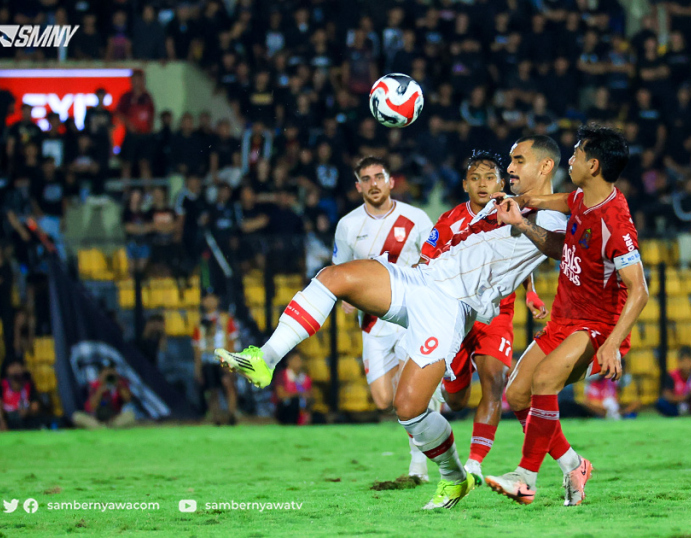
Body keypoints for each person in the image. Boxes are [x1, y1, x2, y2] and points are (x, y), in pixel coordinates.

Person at [215, 135, 568, 510]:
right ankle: (265, 359)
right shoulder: (506, 202)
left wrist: (524, 224)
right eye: (509, 162)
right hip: (423, 280)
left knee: (408, 407)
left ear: (545, 167)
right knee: (333, 277)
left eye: (518, 161)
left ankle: (454, 478)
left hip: (452, 308)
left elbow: (560, 247)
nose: (509, 168)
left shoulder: (550, 217)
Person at [484, 124, 648, 507]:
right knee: (518, 393)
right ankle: (575, 465)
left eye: (575, 153)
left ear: (592, 165)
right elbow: (559, 224)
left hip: (597, 325)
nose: (568, 159)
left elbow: (639, 291)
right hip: (564, 317)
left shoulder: (616, 223)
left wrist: (611, 345)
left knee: (544, 382)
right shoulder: (580, 199)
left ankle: (524, 478)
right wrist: (522, 212)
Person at [421, 148, 549, 485]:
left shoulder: (510, 213)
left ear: (500, 182)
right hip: (455, 315)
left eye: (489, 177)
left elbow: (524, 256)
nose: (482, 184)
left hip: (497, 311)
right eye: (475, 178)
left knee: (494, 381)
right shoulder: (448, 222)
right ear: (464, 184)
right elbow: (426, 266)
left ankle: (474, 465)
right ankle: (446, 387)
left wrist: (531, 292)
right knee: (457, 401)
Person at [330, 156, 435, 480]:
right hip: (373, 323)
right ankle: (432, 405)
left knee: (409, 394)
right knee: (382, 400)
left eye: (379, 176)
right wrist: (345, 296)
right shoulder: (348, 225)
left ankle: (419, 464)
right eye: (367, 178)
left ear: (391, 181)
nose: (374, 183)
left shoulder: (416, 219)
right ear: (358, 186)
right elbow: (339, 271)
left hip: (411, 316)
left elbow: (437, 260)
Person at [192, 291, 240, 425]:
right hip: (208, 360)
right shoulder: (199, 322)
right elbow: (196, 347)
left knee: (228, 385)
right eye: (207, 299)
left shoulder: (225, 319)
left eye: (212, 298)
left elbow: (232, 340)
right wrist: (198, 367)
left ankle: (231, 414)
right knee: (212, 389)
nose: (209, 301)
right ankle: (216, 418)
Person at [71, 359, 136, 429]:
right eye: (105, 371)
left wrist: (118, 384)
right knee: (77, 416)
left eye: (111, 370)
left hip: (114, 419)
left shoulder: (119, 383)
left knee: (130, 415)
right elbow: (91, 407)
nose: (108, 373)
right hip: (97, 420)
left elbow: (128, 398)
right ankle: (101, 428)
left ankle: (108, 428)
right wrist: (100, 390)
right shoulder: (95, 385)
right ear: (100, 373)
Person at [0, 361, 42, 431]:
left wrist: (27, 411)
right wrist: (1, 421)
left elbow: (34, 406)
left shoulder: (28, 385)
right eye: (13, 366)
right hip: (7, 417)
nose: (16, 368)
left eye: (18, 365)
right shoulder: (2, 385)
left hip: (25, 417)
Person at [273, 351, 311, 425]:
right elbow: (281, 395)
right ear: (288, 361)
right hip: (286, 408)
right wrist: (298, 394)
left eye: (300, 360)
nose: (298, 363)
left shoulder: (305, 378)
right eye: (295, 360)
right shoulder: (282, 375)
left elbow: (309, 395)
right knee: (294, 402)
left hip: (302, 409)